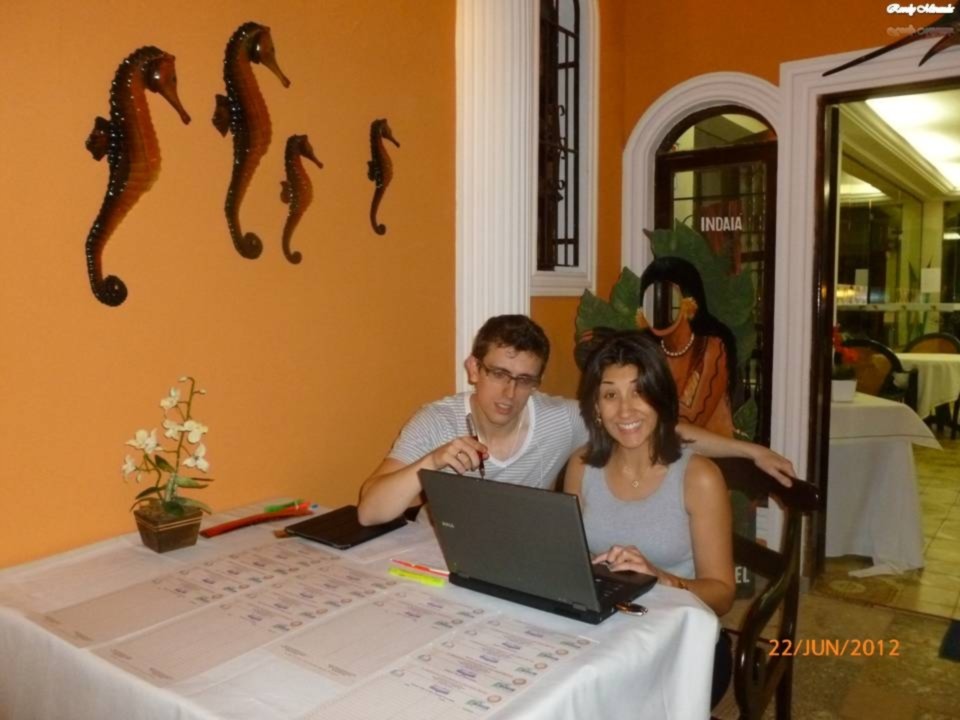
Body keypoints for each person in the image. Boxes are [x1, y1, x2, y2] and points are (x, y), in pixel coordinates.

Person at [358, 314, 795, 526]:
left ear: (538, 382)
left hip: (517, 560)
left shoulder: (560, 419)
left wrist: (749, 450)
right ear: (474, 369)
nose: (509, 393)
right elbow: (369, 511)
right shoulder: (436, 422)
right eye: (498, 374)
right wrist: (431, 462)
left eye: (524, 380)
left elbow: (653, 426)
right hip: (438, 557)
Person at [563, 329, 734, 704]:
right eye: (611, 395)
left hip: (684, 640)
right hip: (609, 631)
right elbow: (570, 557)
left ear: (661, 398)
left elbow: (722, 596)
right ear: (596, 407)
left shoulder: (699, 478)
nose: (625, 410)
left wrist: (661, 578)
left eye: (639, 391)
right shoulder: (581, 466)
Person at [637, 256, 737, 437]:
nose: (660, 308)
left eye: (668, 299)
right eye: (653, 301)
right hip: (655, 448)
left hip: (707, 451)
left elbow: (692, 420)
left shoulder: (713, 347)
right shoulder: (647, 350)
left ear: (689, 303)